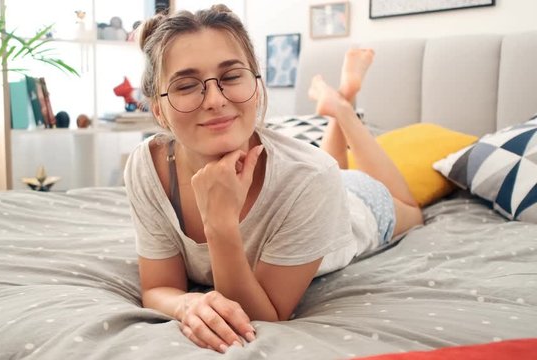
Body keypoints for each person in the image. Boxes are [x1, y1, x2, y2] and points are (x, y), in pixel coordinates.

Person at [124, 4, 423, 354]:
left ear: (257, 84)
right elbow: (160, 287)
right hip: (316, 183)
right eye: (187, 85)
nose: (216, 100)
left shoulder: (311, 178)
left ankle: (342, 107)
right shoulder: (147, 167)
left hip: (358, 206)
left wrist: (219, 224)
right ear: (158, 109)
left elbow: (260, 318)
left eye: (232, 77)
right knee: (332, 167)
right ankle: (341, 101)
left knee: (410, 209)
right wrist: (185, 305)